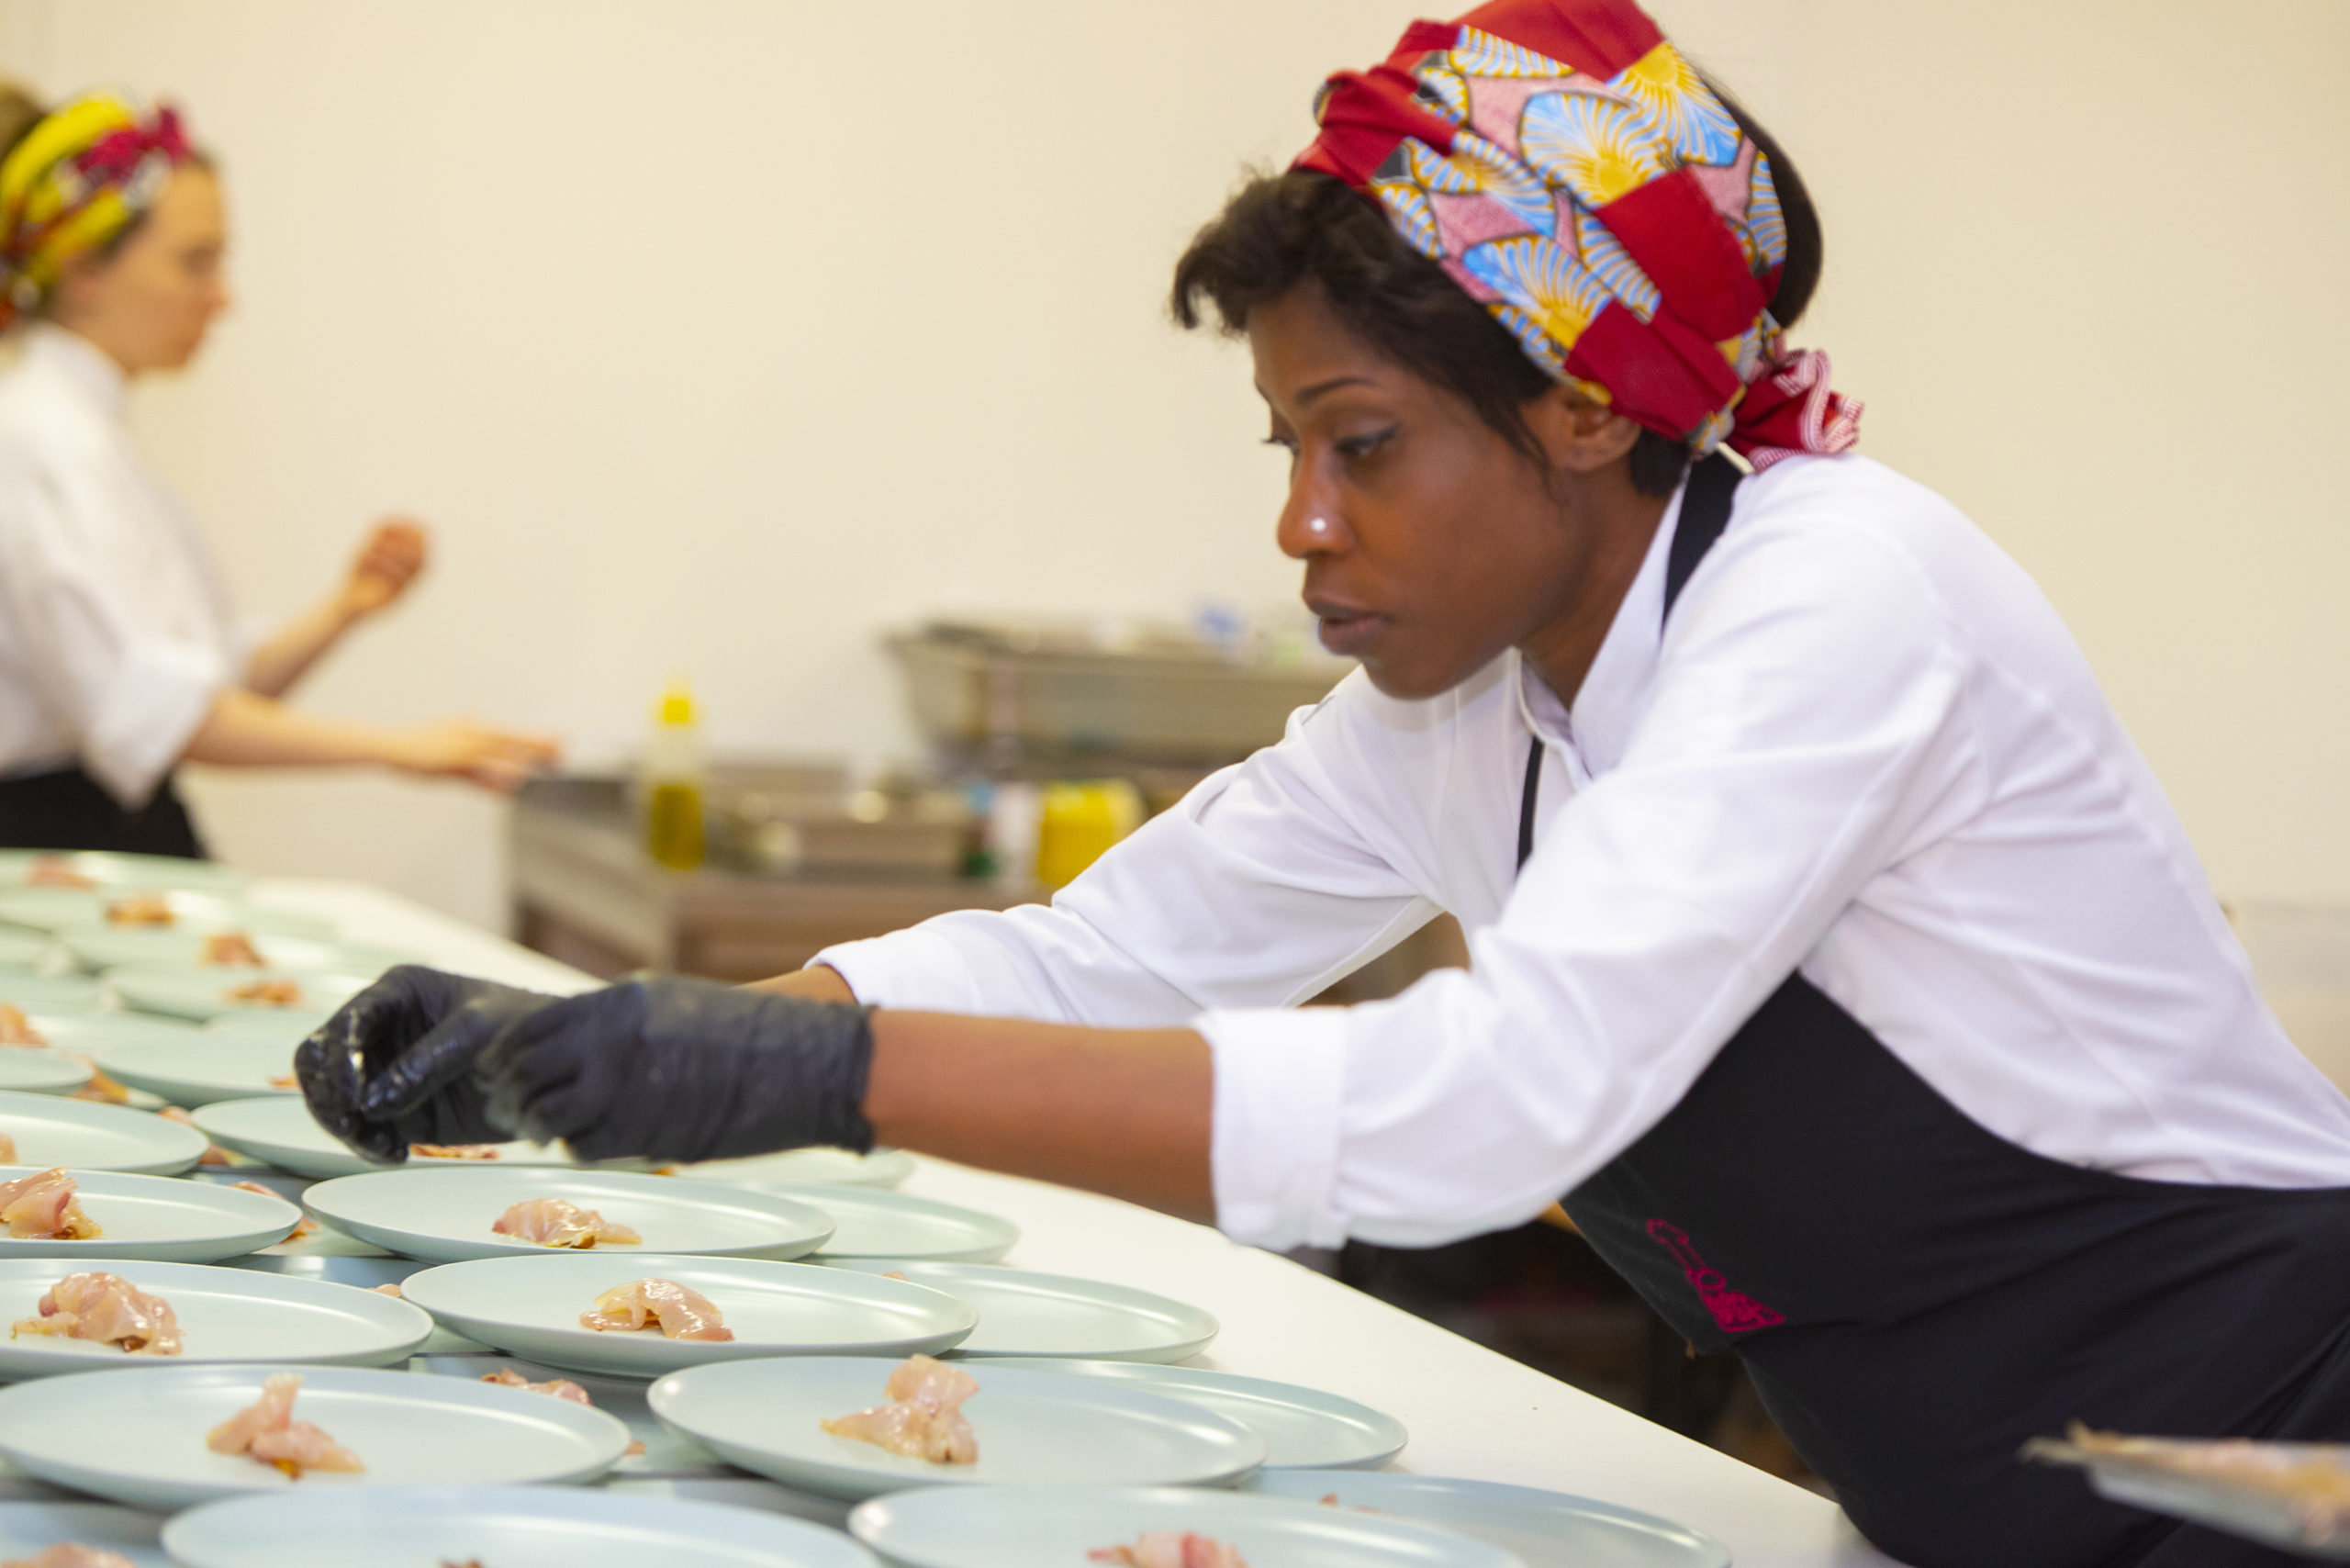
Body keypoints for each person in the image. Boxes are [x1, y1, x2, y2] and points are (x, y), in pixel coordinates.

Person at [297, 4, 2350, 1562]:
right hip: (1959, 1508)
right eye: (1283, 446)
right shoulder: (1462, 711)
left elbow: (1491, 1098)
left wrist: (811, 1080)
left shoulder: (1843, 600)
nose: (1299, 522)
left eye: (1357, 443)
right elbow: (1093, 955)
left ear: (1582, 402)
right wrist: (587, 1048)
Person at [0, 89, 558, 857]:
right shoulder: (40, 440)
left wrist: (347, 608)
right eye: (195, 262)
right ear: (83, 271)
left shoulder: (82, 437)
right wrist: (403, 748)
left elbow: (210, 691)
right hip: (50, 837)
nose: (221, 297)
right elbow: (161, 716)